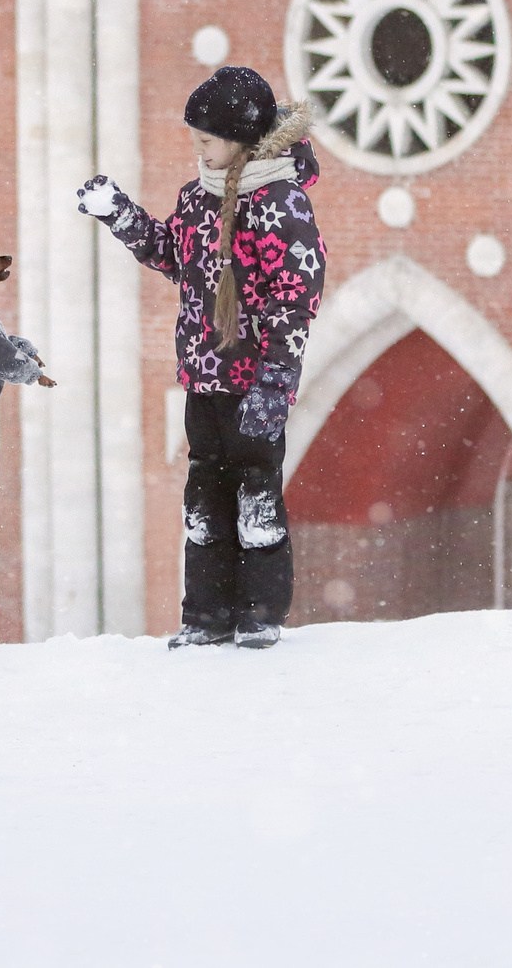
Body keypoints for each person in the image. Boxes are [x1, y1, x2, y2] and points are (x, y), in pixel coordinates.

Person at [76, 65, 326, 648]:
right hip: (204, 379)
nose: (199, 149)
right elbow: (172, 254)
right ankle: (207, 616)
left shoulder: (279, 203)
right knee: (204, 501)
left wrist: (276, 381)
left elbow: (297, 295)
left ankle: (260, 613)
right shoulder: (197, 199)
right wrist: (119, 214)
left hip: (254, 383)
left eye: (208, 139)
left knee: (256, 497)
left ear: (240, 139)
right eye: (196, 138)